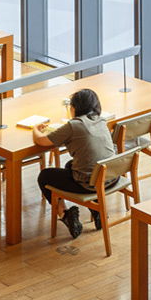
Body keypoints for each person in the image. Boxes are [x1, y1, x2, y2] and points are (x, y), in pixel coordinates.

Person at [33, 88, 118, 240]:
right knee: (71, 165)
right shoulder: (102, 120)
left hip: (90, 184)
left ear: (73, 108)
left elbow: (42, 141)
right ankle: (98, 211)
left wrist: (35, 129)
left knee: (45, 176)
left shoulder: (74, 125)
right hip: (111, 177)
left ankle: (65, 214)